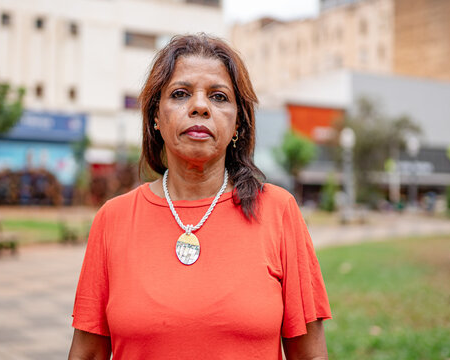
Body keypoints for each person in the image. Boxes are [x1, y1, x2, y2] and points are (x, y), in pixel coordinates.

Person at [68, 34, 331, 360]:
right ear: (155, 117)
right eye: (180, 94)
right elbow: (88, 354)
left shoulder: (279, 211)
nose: (200, 106)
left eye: (219, 97)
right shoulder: (112, 219)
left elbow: (310, 354)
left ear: (238, 124)